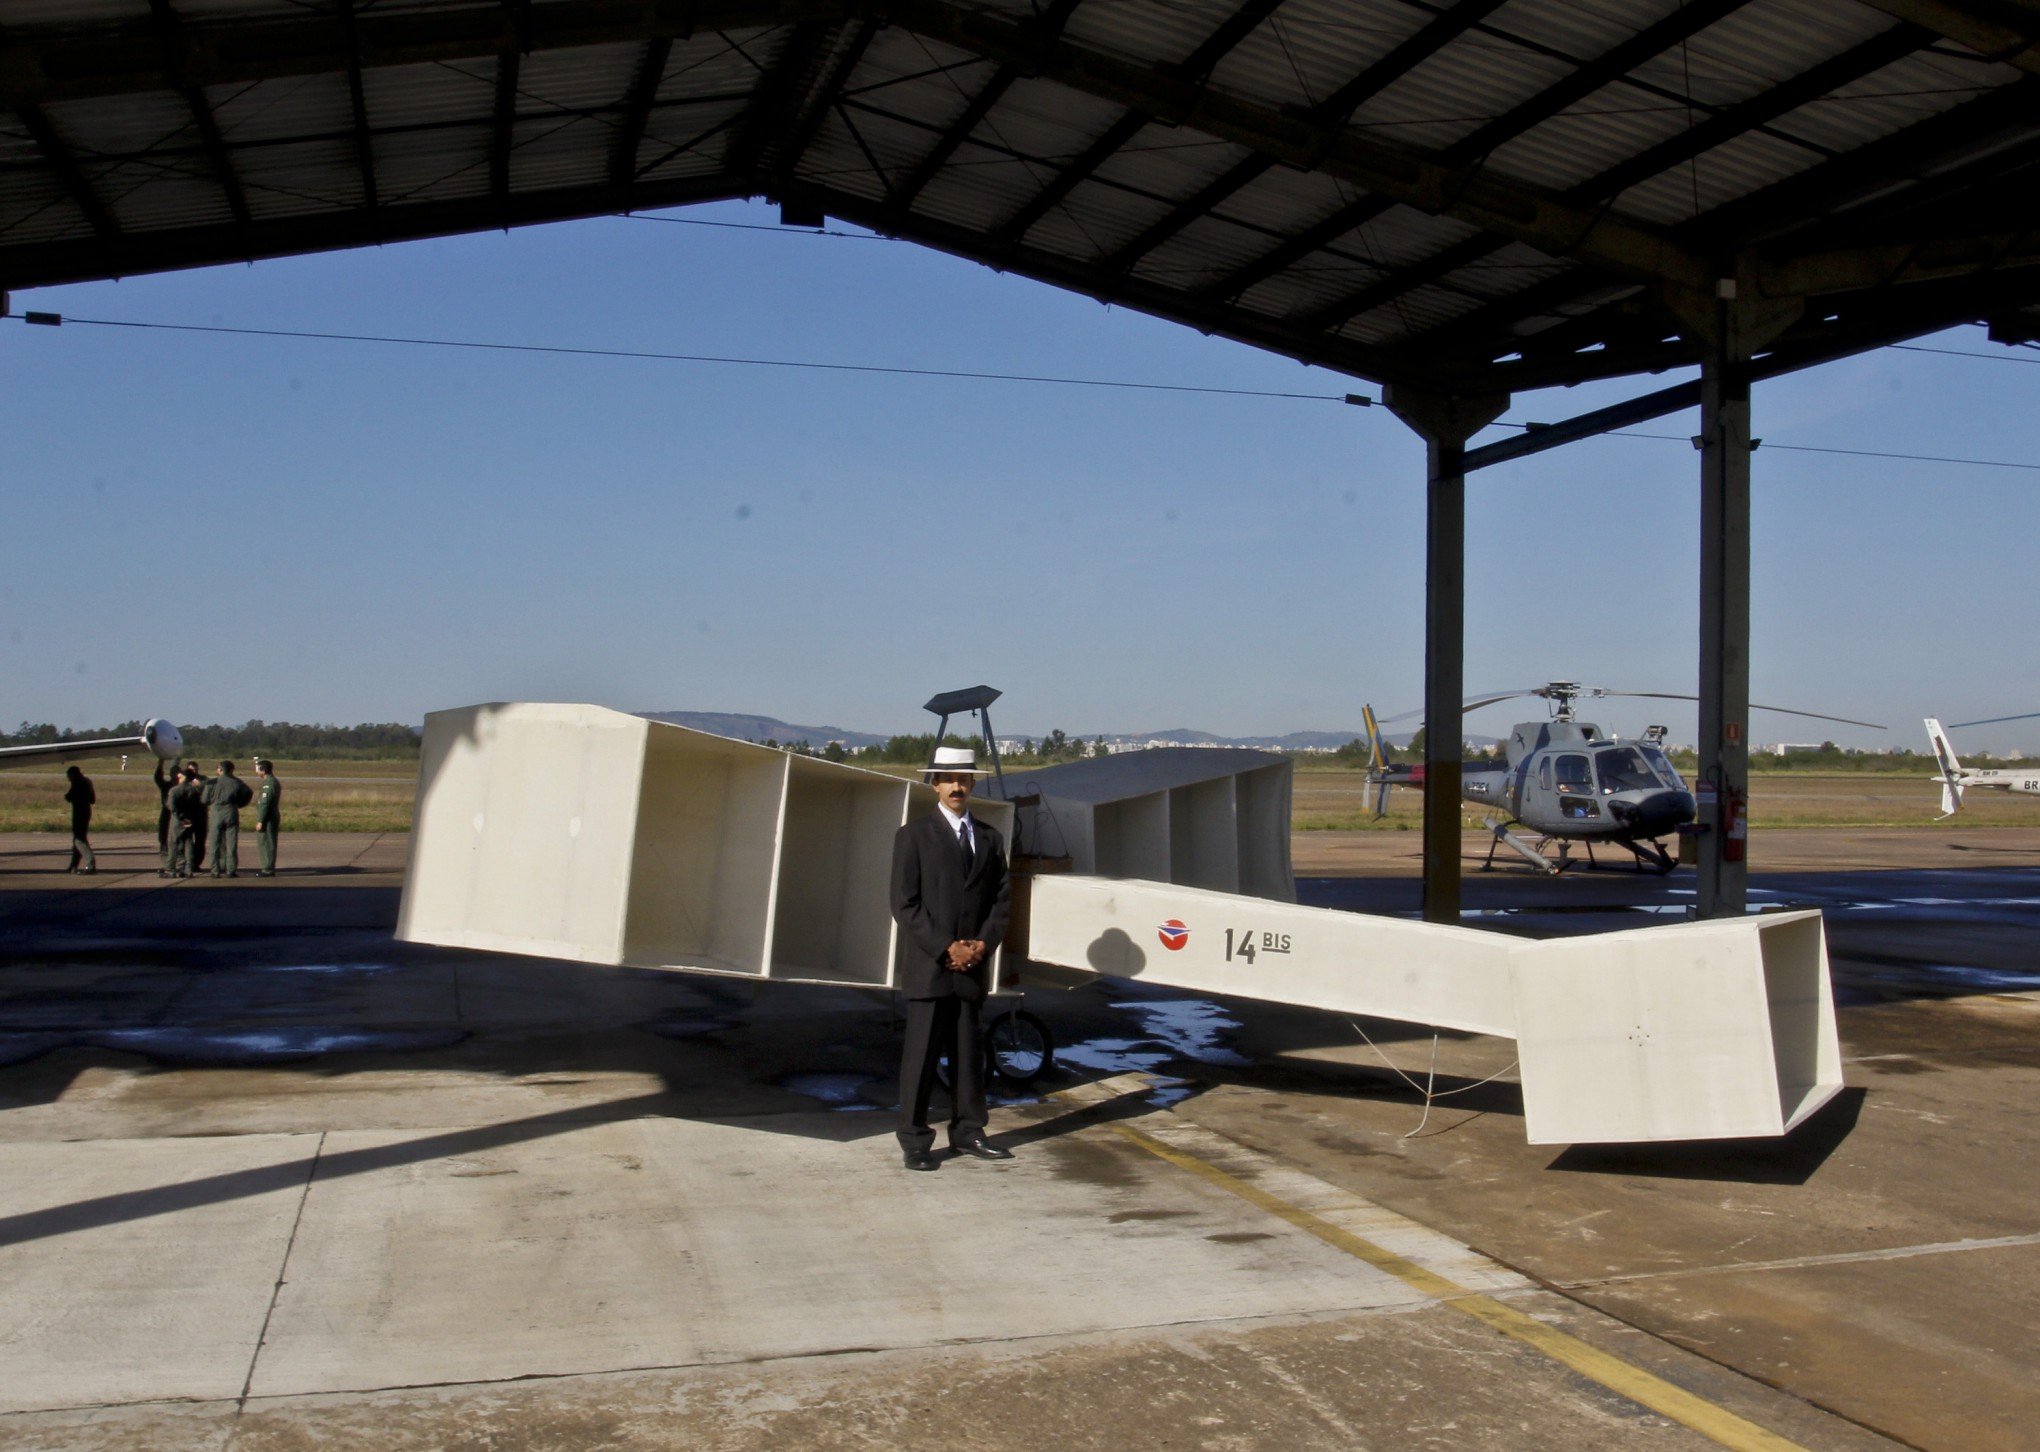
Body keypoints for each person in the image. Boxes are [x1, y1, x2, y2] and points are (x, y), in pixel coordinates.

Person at [889, 744, 1012, 1172]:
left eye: (964, 779)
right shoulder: (913, 836)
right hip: (930, 967)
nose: (957, 786)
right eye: (948, 779)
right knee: (920, 1058)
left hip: (972, 969)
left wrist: (982, 944)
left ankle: (968, 1132)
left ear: (973, 783)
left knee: (968, 1057)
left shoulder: (991, 840)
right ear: (935, 784)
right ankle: (916, 1140)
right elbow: (904, 905)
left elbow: (1001, 903)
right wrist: (947, 947)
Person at [205, 760, 254, 878]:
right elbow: (248, 792)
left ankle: (215, 870)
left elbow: (204, 800)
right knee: (231, 842)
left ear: (220, 770)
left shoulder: (211, 782)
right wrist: (239, 804)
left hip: (216, 812)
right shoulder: (237, 782)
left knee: (214, 843)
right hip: (231, 811)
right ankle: (231, 869)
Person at [166, 765, 206, 877]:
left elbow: (172, 807)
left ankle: (171, 868)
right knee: (188, 844)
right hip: (190, 819)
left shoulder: (174, 790)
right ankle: (189, 868)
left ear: (183, 777)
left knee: (173, 843)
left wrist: (180, 817)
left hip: (177, 820)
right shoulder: (194, 790)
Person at [251, 758, 282, 876]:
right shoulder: (271, 782)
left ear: (263, 770)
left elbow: (265, 803)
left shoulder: (269, 784)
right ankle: (268, 867)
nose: (257, 771)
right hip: (270, 816)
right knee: (268, 842)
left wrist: (260, 820)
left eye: (258, 769)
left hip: (268, 818)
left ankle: (267, 869)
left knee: (266, 843)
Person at [64, 765, 96, 874]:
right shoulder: (87, 782)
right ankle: (73, 865)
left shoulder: (77, 783)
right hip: (86, 811)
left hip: (79, 813)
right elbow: (93, 800)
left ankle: (90, 863)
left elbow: (69, 797)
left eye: (68, 775)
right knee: (78, 839)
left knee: (79, 840)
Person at [153, 756, 178, 856]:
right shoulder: (166, 785)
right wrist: (160, 765)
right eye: (173, 773)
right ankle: (163, 845)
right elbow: (158, 778)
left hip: (179, 811)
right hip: (167, 810)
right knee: (163, 828)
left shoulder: (182, 786)